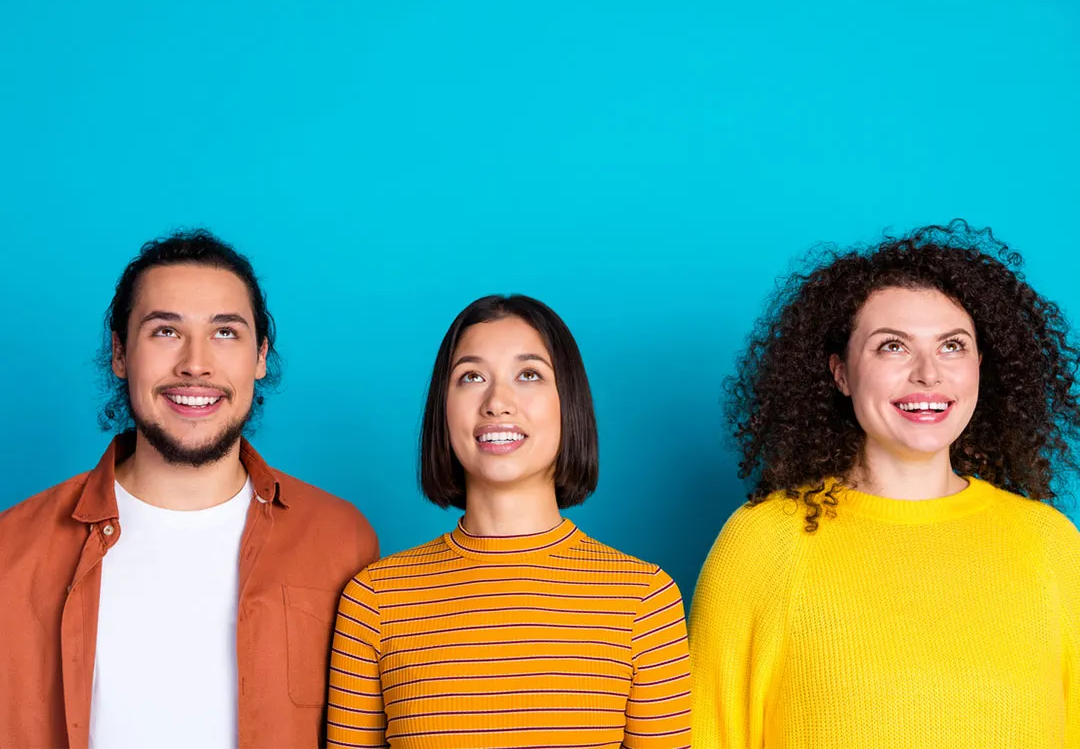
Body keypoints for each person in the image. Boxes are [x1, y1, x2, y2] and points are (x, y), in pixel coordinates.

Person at [690, 221, 1080, 749]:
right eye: (892, 346)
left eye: (953, 346)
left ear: (981, 367)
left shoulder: (1050, 544)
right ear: (841, 373)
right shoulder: (763, 544)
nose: (928, 374)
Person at [0, 229, 378, 749]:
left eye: (225, 333)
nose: (195, 364)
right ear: (119, 352)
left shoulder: (342, 539)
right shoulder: (12, 549)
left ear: (260, 356)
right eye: (164, 332)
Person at [327, 294, 691, 748]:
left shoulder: (644, 600)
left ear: (568, 404)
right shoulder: (374, 603)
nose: (497, 402)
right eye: (471, 377)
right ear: (444, 410)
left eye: (529, 375)